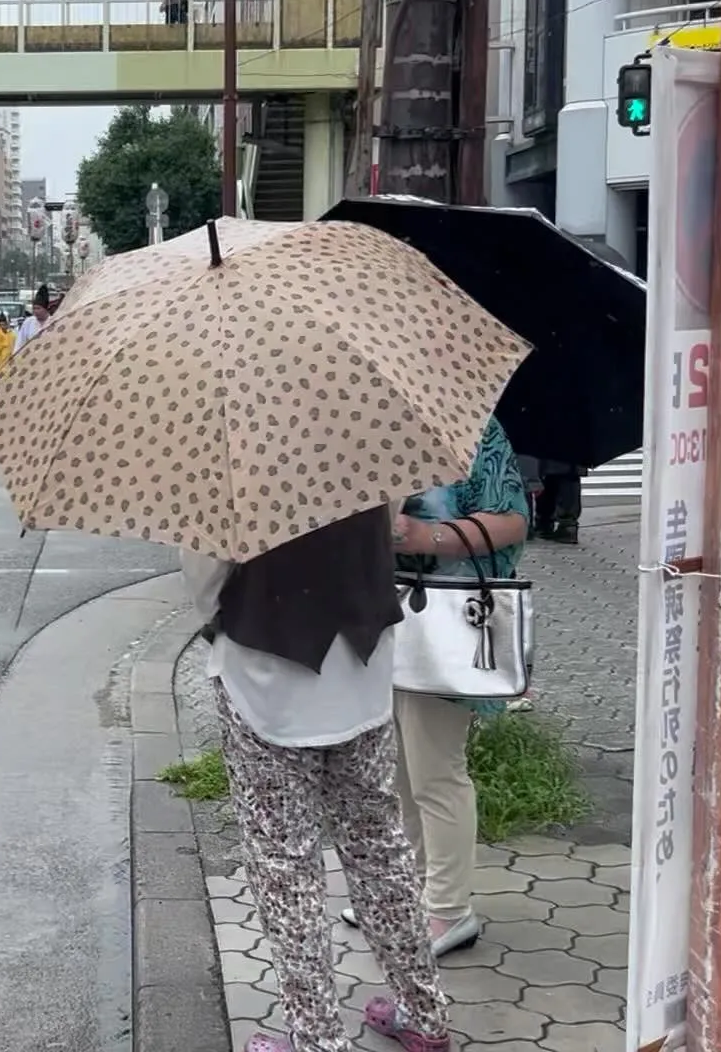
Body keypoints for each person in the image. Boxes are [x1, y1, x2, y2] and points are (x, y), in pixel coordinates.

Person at [182, 507, 452, 1052]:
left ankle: (317, 1038)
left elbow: (204, 571)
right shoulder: (372, 433)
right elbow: (388, 521)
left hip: (268, 672)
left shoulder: (236, 453)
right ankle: (423, 1014)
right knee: (379, 846)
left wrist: (213, 614)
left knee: (285, 864)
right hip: (363, 662)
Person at [338, 417, 531, 958]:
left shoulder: (472, 429)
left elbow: (514, 519)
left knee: (434, 769)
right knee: (395, 765)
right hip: (380, 615)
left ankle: (448, 907)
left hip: (447, 620)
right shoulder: (368, 431)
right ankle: (408, 889)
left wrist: (425, 537)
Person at [15, 285, 52, 351]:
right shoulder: (28, 322)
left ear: (46, 308)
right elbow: (20, 343)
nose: (36, 311)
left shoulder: (53, 322)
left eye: (38, 308)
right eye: (34, 308)